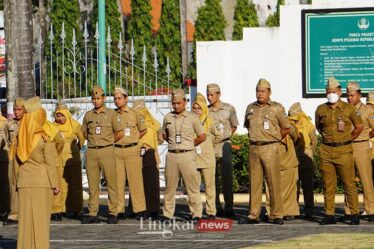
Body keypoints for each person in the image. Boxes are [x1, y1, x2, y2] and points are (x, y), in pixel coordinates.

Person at [240, 78, 290, 225]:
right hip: (254, 147)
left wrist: (274, 139)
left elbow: (286, 128)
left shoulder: (277, 108)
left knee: (273, 181)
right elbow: (247, 126)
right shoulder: (251, 108)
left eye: (263, 91)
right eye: (258, 91)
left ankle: (276, 214)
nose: (260, 94)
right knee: (254, 182)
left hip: (270, 147)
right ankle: (253, 214)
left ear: (269, 92)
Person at [315, 77, 363, 225]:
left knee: (349, 184)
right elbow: (319, 127)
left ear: (340, 92)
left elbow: (359, 127)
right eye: (328, 91)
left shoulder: (349, 109)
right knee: (328, 185)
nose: (331, 94)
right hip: (327, 150)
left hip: (344, 150)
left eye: (334, 91)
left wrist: (348, 139)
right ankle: (329, 214)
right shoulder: (321, 109)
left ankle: (354, 213)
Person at [14, 96, 59, 249]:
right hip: (42, 182)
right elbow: (50, 164)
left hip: (24, 182)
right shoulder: (44, 138)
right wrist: (55, 184)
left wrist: (16, 182)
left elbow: (16, 163)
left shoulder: (20, 137)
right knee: (41, 222)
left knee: (25, 223)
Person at [161, 88, 205, 221]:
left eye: (178, 103)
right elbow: (164, 134)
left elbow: (202, 136)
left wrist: (191, 145)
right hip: (172, 155)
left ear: (185, 102)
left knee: (192, 187)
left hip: (188, 155)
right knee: (169, 187)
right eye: (173, 103)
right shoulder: (168, 117)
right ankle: (167, 214)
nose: (176, 105)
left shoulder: (192, 117)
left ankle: (196, 214)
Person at [81, 85, 123, 224]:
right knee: (93, 184)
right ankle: (93, 213)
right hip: (92, 151)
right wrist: (94, 141)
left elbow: (119, 133)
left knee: (111, 183)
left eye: (98, 98)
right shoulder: (88, 115)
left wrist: (108, 141)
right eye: (93, 98)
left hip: (107, 151)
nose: (96, 101)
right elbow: (85, 133)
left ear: (103, 98)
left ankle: (113, 212)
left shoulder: (111, 114)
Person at [113, 87, 147, 220]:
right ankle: (119, 210)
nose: (117, 101)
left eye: (119, 98)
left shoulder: (135, 113)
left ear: (126, 99)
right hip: (116, 150)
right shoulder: (112, 114)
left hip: (132, 150)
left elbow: (143, 130)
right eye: (115, 99)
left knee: (135, 181)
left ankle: (139, 210)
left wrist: (133, 138)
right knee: (118, 181)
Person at [206, 83, 239, 218]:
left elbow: (234, 125)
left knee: (227, 177)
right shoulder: (205, 110)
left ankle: (229, 207)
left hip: (224, 145)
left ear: (219, 94)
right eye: (208, 95)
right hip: (209, 146)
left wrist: (227, 136)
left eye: (212, 95)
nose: (209, 97)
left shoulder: (229, 108)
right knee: (211, 178)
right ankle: (215, 206)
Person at [346, 82, 374, 222]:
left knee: (365, 179)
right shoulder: (344, 110)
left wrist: (366, 136)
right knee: (348, 180)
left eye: (352, 95)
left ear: (359, 95)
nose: (349, 98)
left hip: (361, 146)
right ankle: (350, 210)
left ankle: (371, 210)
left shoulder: (368, 111)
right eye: (347, 95)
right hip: (346, 147)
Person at [192, 93, 222, 220]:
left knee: (210, 187)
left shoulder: (209, 121)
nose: (197, 111)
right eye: (194, 108)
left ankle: (211, 212)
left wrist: (210, 146)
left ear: (204, 108)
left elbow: (219, 136)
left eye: (199, 108)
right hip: (193, 158)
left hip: (208, 158)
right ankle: (196, 213)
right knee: (194, 188)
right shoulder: (190, 120)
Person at [53, 103, 85, 218]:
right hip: (59, 160)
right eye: (58, 116)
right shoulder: (53, 127)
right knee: (59, 186)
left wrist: (76, 149)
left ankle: (77, 210)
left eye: (62, 115)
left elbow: (81, 139)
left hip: (73, 160)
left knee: (75, 186)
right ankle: (58, 210)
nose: (60, 118)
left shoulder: (75, 125)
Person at [133, 99, 163, 218]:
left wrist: (151, 145)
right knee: (137, 183)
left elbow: (160, 138)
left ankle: (153, 208)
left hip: (151, 154)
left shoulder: (154, 123)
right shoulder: (132, 123)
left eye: (141, 110)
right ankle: (139, 209)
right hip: (136, 154)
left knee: (152, 183)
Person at [288, 102, 317, 219]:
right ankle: (293, 210)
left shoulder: (308, 124)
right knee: (292, 186)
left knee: (307, 186)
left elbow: (314, 141)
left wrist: (309, 153)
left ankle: (309, 210)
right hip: (292, 158)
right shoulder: (288, 123)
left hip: (305, 158)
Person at [265, 129, 300, 221]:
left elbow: (295, 135)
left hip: (288, 158)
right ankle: (271, 211)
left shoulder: (289, 124)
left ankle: (289, 212)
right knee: (271, 187)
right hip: (271, 156)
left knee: (289, 187)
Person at [2, 98, 26, 225]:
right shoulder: (9, 124)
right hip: (13, 157)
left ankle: (27, 213)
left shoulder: (29, 123)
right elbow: (6, 138)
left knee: (26, 186)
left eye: (19, 109)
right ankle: (14, 214)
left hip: (26, 159)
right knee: (13, 185)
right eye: (15, 109)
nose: (16, 112)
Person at [44, 113, 65, 221]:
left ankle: (57, 211)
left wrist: (54, 153)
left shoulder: (51, 128)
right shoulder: (32, 126)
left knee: (56, 186)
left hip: (55, 162)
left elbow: (61, 142)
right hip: (41, 163)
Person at [0, 112, 9, 219]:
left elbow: (8, 140)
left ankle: (4, 209)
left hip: (2, 157)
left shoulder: (4, 123)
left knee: (3, 185)